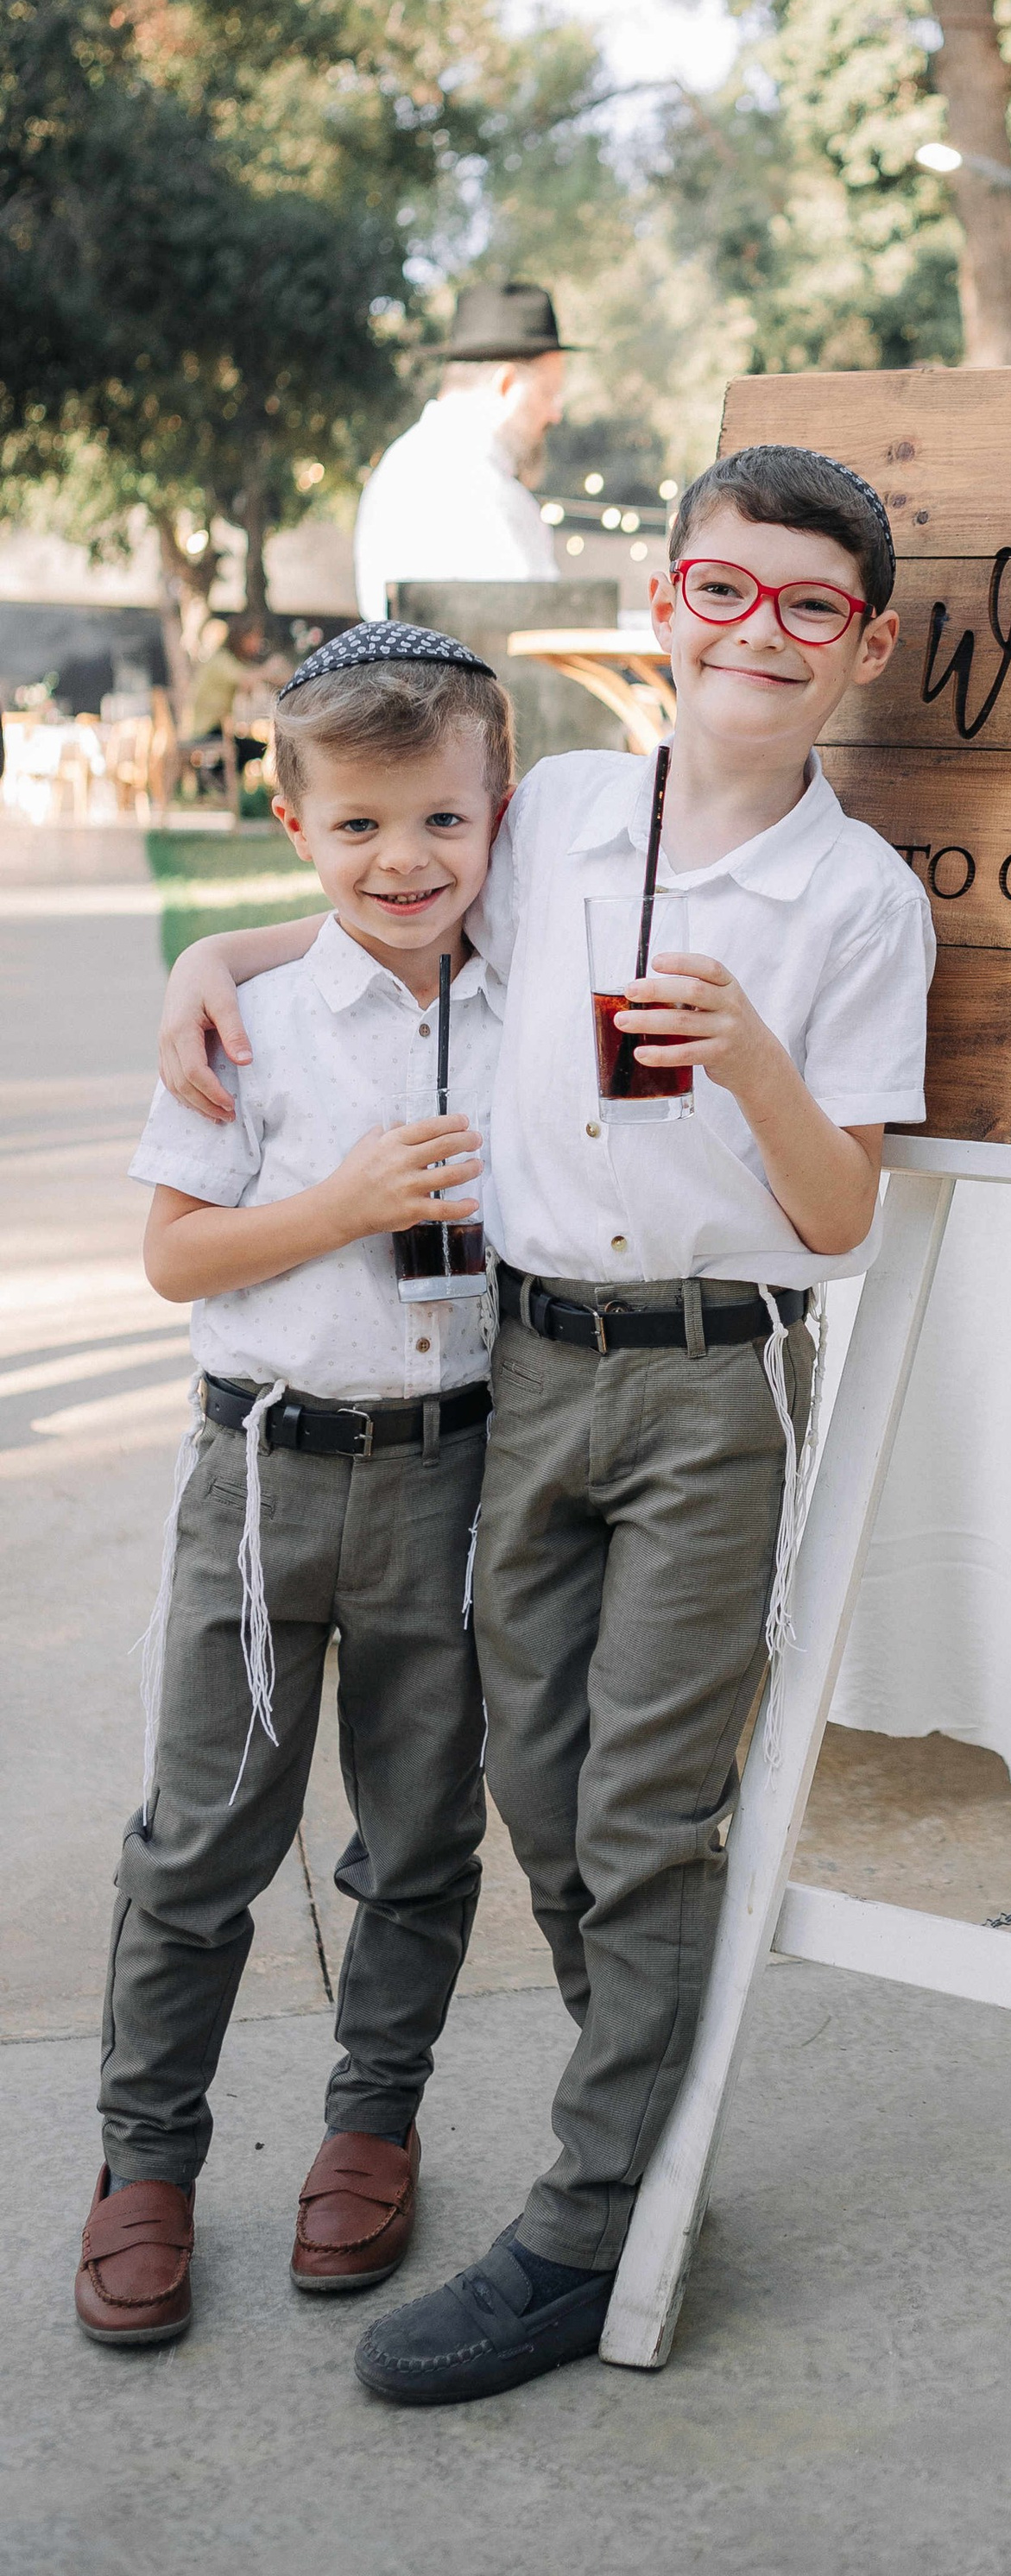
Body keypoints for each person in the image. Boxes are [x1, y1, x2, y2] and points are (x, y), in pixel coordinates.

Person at [154, 447, 933, 2402]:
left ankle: (584, 2227)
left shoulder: (856, 896)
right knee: (540, 1790)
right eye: (724, 586)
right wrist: (212, 952)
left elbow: (843, 1219)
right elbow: (386, 899)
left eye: (807, 604)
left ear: (864, 643)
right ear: (667, 600)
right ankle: (650, 2144)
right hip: (527, 1362)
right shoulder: (573, 805)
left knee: (645, 1807)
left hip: (708, 1374)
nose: (758, 627)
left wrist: (750, 1056)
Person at [76, 625, 509, 2351]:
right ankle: (143, 2166)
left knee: (415, 1844)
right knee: (202, 1843)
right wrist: (336, 1204)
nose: (401, 860)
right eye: (356, 829)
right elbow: (177, 1259)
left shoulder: (529, 991)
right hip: (264, 1482)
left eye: (441, 823)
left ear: (496, 821)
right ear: (295, 823)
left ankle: (369, 2128)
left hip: (455, 1479)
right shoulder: (247, 1021)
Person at [351, 279, 579, 621]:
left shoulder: (406, 461)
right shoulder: (476, 486)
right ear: (506, 385)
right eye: (548, 392)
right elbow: (535, 632)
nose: (555, 413)